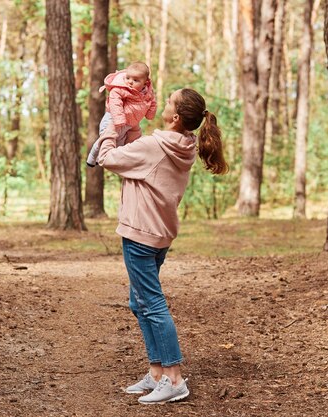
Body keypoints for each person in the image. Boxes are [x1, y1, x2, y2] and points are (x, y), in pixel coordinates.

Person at [97, 88, 228, 404]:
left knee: (151, 304)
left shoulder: (156, 145)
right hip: (159, 234)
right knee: (138, 302)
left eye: (168, 102)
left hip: (141, 234)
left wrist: (110, 129)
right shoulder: (185, 144)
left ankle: (174, 377)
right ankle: (156, 373)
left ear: (177, 117)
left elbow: (106, 158)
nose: (164, 105)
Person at [86, 62, 157, 167]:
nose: (130, 82)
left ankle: (130, 158)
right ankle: (92, 158)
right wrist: (119, 119)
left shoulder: (148, 92)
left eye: (135, 80)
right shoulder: (121, 88)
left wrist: (150, 113)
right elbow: (114, 101)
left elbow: (152, 102)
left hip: (132, 122)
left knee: (134, 138)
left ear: (145, 83)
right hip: (114, 120)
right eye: (128, 78)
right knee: (107, 138)